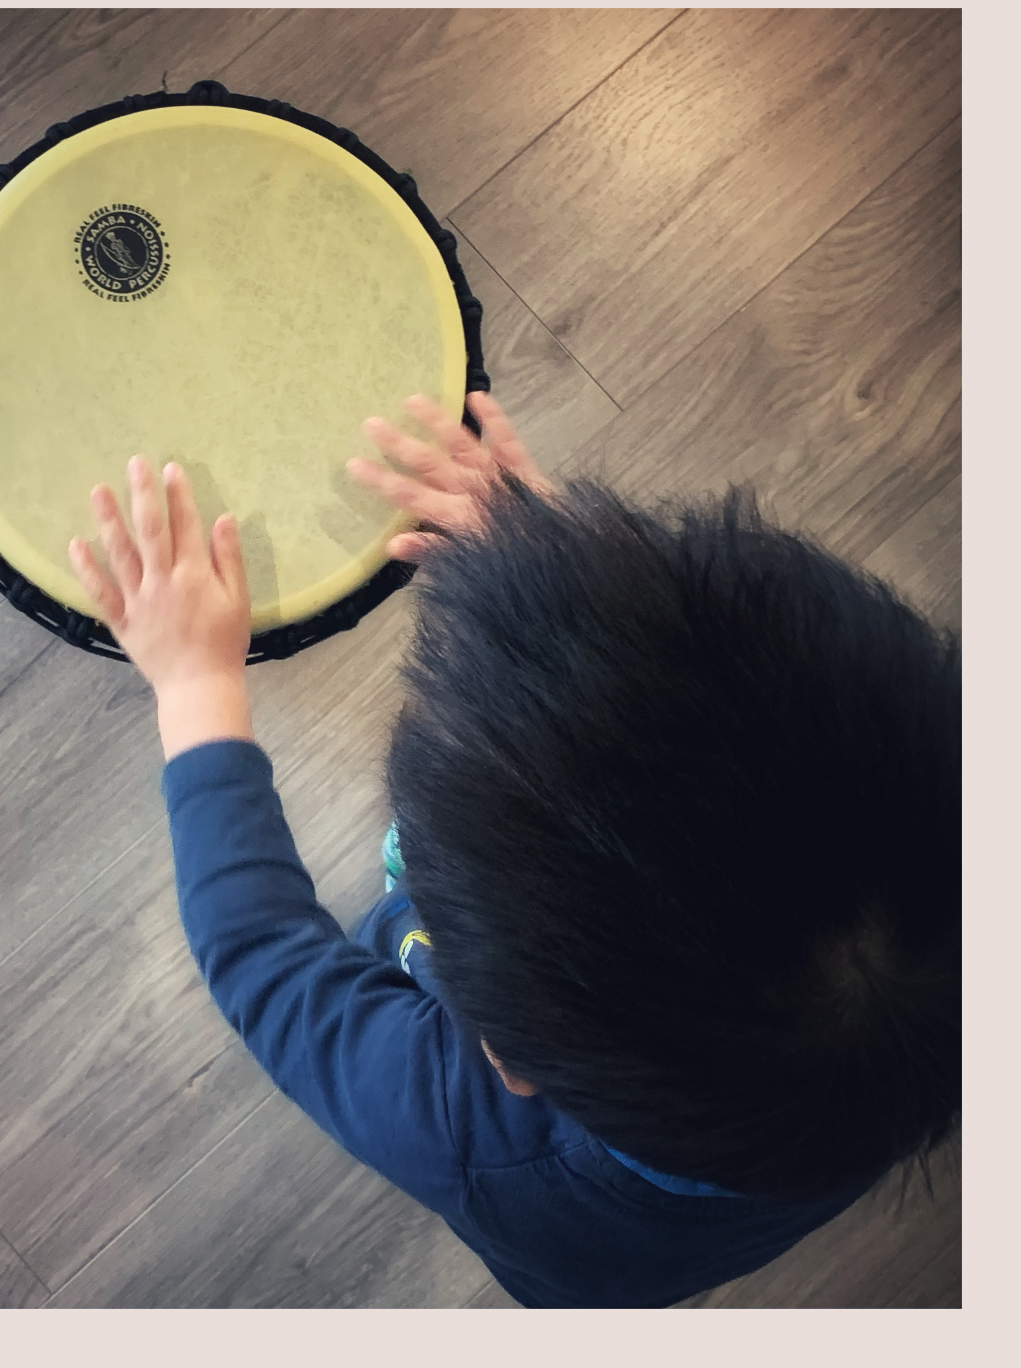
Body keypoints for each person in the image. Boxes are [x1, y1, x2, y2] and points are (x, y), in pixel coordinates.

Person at [67, 392, 961, 1308]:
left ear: (506, 1058)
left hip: (570, 1256)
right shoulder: (929, 999)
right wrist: (578, 581)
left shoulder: (472, 1141)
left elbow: (261, 955)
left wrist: (195, 684)